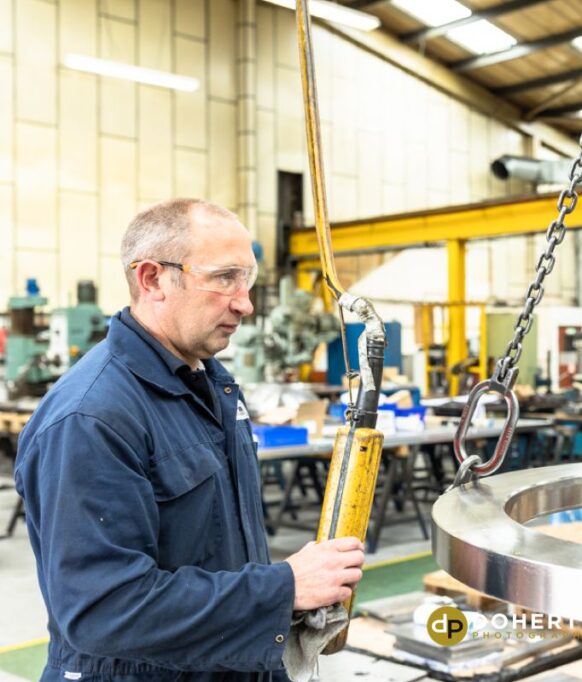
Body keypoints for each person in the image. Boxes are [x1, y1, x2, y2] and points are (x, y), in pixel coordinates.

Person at [16, 199, 365, 681]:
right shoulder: (92, 417)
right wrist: (283, 588)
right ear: (152, 279)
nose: (244, 302)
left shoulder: (210, 385)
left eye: (248, 280)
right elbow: (102, 609)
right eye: (224, 278)